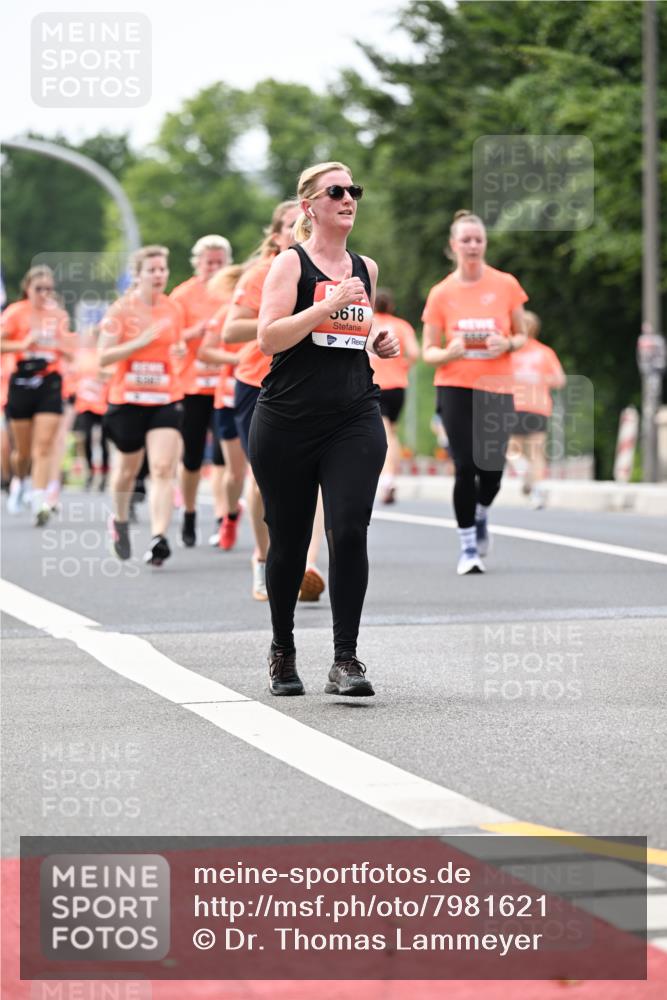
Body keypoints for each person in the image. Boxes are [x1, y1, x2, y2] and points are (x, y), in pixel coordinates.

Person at [252, 161, 400, 698]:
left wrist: (376, 341)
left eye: (353, 190)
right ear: (309, 206)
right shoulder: (289, 266)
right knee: (288, 542)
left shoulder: (366, 267)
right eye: (336, 191)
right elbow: (269, 339)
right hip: (287, 420)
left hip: (353, 414)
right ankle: (282, 650)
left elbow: (352, 335)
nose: (348, 198)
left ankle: (346, 660)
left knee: (349, 529)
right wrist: (327, 306)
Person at [422, 210, 528, 575]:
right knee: (465, 466)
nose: (472, 245)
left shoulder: (506, 284)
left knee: (494, 469)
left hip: (496, 385)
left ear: (485, 244)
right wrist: (447, 353)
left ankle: (481, 512)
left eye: (478, 239)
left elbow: (522, 334)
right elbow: (427, 351)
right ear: (453, 246)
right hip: (454, 386)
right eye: (465, 240)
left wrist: (507, 343)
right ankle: (468, 548)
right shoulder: (441, 293)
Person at [222, 201, 301, 598]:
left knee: (310, 480)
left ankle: (306, 564)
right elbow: (230, 331)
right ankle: (262, 557)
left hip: (308, 384)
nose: (300, 228)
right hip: (259, 384)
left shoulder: (329, 267)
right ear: (276, 236)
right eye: (292, 225)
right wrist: (282, 318)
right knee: (263, 480)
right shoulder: (261, 274)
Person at [99, 245, 186, 566]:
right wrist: (138, 343)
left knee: (163, 468)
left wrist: (176, 353)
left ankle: (158, 537)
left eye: (163, 269)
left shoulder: (173, 309)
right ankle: (119, 521)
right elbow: (103, 356)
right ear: (138, 275)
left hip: (166, 396)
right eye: (152, 270)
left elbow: (175, 345)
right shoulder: (120, 310)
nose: (159, 275)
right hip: (127, 400)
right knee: (126, 471)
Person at [169, 235, 232, 546]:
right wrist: (200, 330)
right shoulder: (182, 295)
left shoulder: (234, 292)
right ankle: (190, 512)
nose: (214, 268)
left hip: (226, 384)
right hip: (192, 385)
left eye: (220, 262)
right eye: (209, 262)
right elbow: (169, 338)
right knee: (192, 457)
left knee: (224, 456)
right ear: (197, 263)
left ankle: (223, 518)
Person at [1, 265, 76, 525]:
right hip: (21, 381)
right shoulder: (15, 313)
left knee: (43, 446)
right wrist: (21, 345)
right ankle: (19, 481)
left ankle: (38, 500)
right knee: (22, 452)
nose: (44, 294)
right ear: (27, 289)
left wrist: (58, 347)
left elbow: (71, 349)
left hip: (49, 382)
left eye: (48, 289)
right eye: (38, 289)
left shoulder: (58, 315)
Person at [198, 264, 247, 548]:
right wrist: (236, 360)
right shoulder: (225, 316)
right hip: (229, 398)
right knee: (235, 472)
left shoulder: (277, 308)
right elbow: (205, 350)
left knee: (263, 471)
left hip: (264, 397)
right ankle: (229, 516)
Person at [507, 310, 566, 508]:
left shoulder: (509, 351)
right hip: (538, 406)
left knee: (510, 448)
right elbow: (559, 380)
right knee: (536, 452)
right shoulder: (545, 352)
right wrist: (540, 380)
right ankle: (537, 491)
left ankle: (524, 472)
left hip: (514, 404)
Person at [367, 288, 420, 504]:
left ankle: (387, 479)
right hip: (398, 385)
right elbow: (415, 353)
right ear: (392, 306)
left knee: (384, 434)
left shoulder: (368, 323)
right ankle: (391, 476)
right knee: (392, 433)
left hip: (375, 384)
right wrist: (404, 366)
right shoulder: (402, 326)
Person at [72, 325, 110, 491]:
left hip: (103, 403)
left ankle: (104, 474)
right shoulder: (82, 356)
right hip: (85, 404)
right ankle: (89, 472)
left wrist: (105, 377)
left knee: (103, 441)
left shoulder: (107, 354)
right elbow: (74, 378)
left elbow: (112, 376)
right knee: (85, 438)